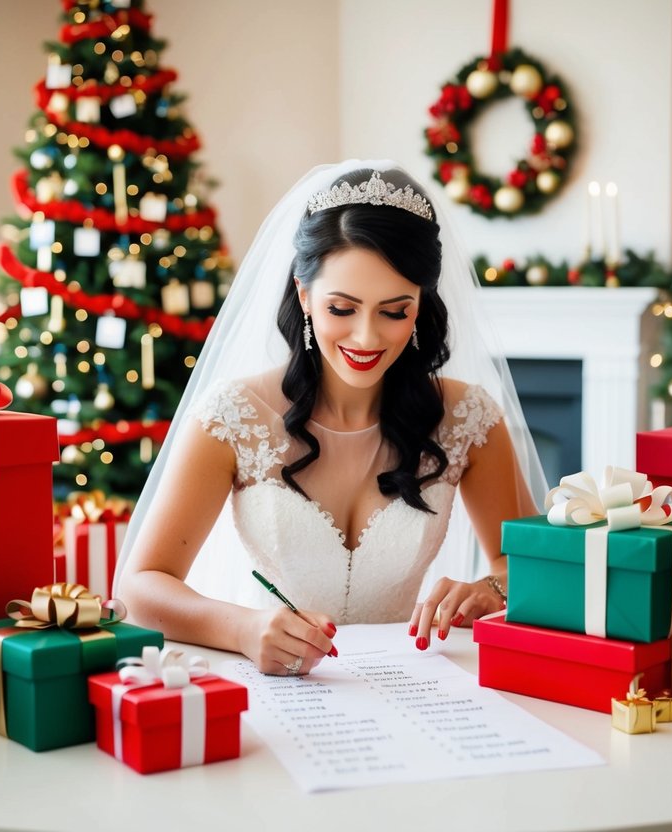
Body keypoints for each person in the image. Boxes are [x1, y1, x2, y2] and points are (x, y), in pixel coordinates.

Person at [114, 160, 545, 677]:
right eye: (342, 308)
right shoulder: (232, 417)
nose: (366, 338)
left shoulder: (468, 418)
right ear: (304, 294)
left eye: (394, 311)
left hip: (414, 688)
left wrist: (488, 587)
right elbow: (140, 587)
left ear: (420, 306)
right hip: (276, 693)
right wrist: (244, 629)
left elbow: (529, 566)